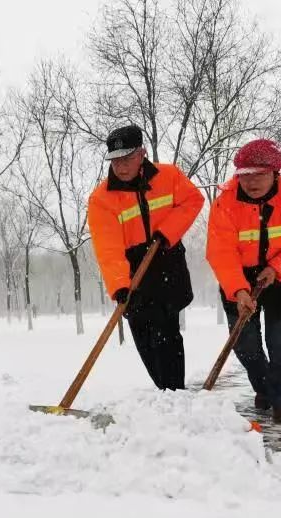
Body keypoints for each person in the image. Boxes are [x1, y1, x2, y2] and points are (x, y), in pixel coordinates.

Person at [206, 139, 281, 424]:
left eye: (259, 174)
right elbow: (220, 251)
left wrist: (277, 268)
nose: (252, 182)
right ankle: (265, 388)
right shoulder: (225, 203)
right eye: (245, 175)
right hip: (239, 277)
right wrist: (238, 289)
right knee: (245, 343)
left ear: (275, 173)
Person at [88, 124, 204, 391]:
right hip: (133, 273)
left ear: (142, 153)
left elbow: (192, 201)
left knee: (166, 332)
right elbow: (108, 248)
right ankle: (166, 391)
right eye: (115, 160)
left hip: (167, 261)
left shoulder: (169, 176)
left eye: (127, 158)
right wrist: (120, 285)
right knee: (144, 337)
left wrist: (167, 233)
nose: (121, 166)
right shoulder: (102, 199)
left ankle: (174, 392)